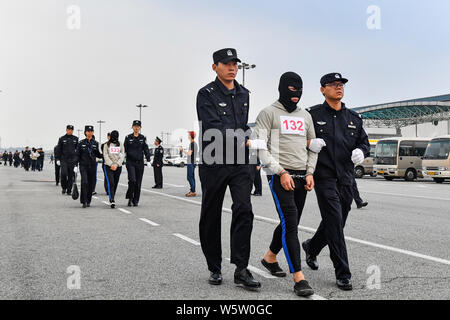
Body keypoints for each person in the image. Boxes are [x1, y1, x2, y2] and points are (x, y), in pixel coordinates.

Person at [196, 48, 260, 290]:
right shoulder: (206, 94)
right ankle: (214, 266)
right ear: (215, 67)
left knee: (244, 209)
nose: (232, 67)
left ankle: (241, 269)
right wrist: (244, 140)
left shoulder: (244, 93)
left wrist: (252, 151)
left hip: (240, 162)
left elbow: (243, 126)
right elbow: (213, 127)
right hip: (214, 162)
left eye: (235, 63)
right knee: (211, 213)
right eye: (226, 63)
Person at [251, 71, 319, 297]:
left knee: (291, 220)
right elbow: (260, 148)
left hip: (302, 177)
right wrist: (280, 172)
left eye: (299, 90)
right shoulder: (268, 113)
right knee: (291, 223)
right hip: (280, 176)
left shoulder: (306, 116)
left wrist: (310, 173)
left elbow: (313, 147)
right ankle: (299, 277)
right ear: (282, 88)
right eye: (292, 89)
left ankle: (270, 257)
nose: (296, 94)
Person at [302, 73, 370, 291]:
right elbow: (294, 139)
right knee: (333, 220)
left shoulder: (353, 118)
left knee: (337, 223)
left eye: (341, 85)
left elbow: (364, 142)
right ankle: (343, 273)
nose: (338, 88)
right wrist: (308, 142)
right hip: (324, 177)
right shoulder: (311, 115)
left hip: (346, 179)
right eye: (333, 85)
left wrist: (361, 150)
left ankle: (311, 247)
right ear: (323, 89)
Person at [124, 120, 151, 207]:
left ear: (140, 128)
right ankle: (130, 198)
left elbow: (146, 149)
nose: (136, 127)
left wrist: (148, 160)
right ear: (132, 127)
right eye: (135, 126)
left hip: (140, 163)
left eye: (138, 126)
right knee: (132, 180)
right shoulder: (128, 137)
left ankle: (135, 200)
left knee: (138, 183)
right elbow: (124, 149)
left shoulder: (142, 138)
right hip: (130, 162)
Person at [75, 125, 102, 208]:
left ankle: (88, 200)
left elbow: (98, 154)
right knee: (84, 182)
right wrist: (75, 165)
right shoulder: (81, 143)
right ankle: (84, 201)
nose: (90, 133)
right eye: (88, 131)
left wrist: (104, 155)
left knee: (91, 184)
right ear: (85, 132)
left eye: (91, 131)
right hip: (83, 165)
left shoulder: (95, 143)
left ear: (93, 132)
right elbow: (77, 155)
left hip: (93, 166)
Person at [103, 130, 125, 209]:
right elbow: (105, 156)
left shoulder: (120, 144)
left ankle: (113, 196)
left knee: (115, 183)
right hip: (109, 166)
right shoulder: (106, 145)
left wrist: (117, 164)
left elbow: (122, 155)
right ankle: (111, 199)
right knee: (111, 182)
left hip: (118, 166)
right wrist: (111, 164)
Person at [55, 125, 79, 195]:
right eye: (69, 130)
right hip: (64, 160)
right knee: (64, 174)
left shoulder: (75, 139)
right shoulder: (62, 139)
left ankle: (69, 190)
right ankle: (64, 187)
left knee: (71, 176)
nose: (70, 131)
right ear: (66, 130)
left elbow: (77, 151)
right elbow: (58, 149)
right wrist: (58, 159)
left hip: (72, 160)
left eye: (71, 130)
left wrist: (77, 160)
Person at [180, 131, 197, 197]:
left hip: (191, 162)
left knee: (189, 177)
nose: (188, 135)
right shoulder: (193, 143)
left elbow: (190, 153)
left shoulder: (192, 144)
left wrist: (183, 150)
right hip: (193, 162)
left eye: (188, 134)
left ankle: (193, 191)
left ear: (190, 136)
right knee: (192, 177)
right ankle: (193, 190)